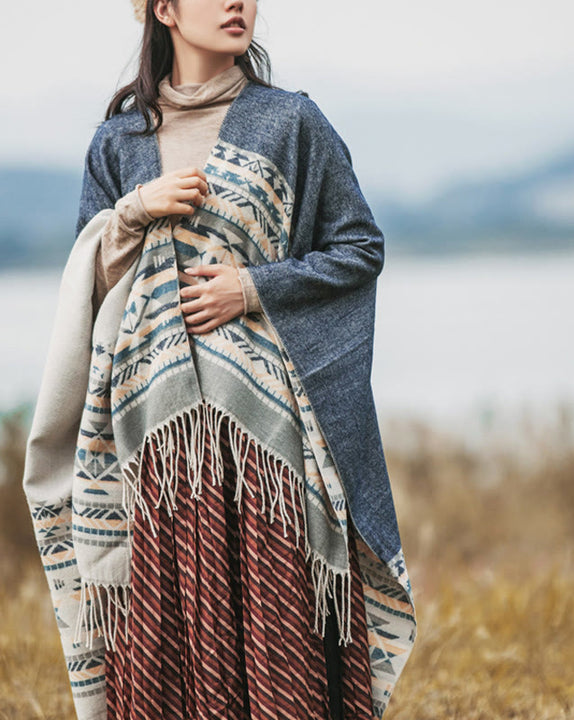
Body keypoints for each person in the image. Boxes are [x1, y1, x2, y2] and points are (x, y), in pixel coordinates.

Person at [22, 1, 416, 719]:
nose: (239, 2)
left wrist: (253, 287)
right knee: (163, 653)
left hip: (266, 450)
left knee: (280, 651)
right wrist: (132, 213)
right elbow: (93, 296)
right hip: (154, 451)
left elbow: (359, 247)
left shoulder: (291, 122)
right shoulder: (118, 145)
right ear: (164, 9)